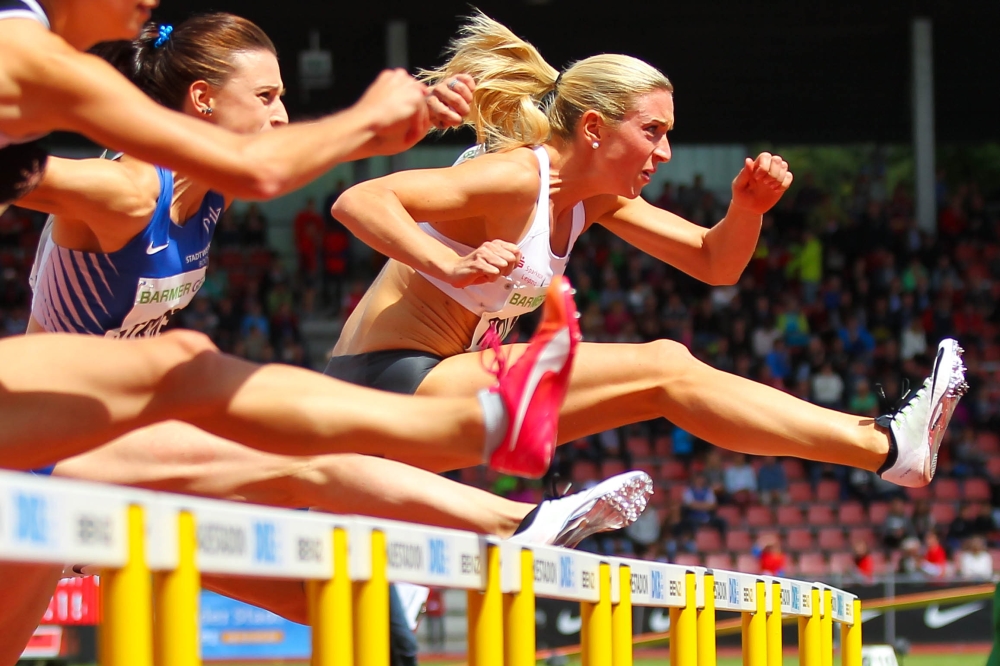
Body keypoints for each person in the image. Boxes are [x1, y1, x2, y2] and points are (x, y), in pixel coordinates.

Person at [327, 10, 967, 488]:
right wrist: (449, 262)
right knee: (663, 363)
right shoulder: (520, 175)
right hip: (386, 388)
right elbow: (360, 201)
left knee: (665, 379)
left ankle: (882, 445)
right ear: (596, 128)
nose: (664, 153)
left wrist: (746, 210)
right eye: (652, 131)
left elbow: (716, 264)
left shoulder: (591, 200)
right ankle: (887, 446)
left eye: (669, 134)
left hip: (436, 394)